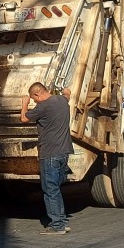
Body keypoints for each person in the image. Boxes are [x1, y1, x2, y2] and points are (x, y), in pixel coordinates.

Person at [20, 82, 74, 236]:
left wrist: (24, 103)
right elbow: (67, 94)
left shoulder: (42, 107)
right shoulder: (62, 101)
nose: (34, 101)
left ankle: (57, 225)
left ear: (37, 94)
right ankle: (62, 221)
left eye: (33, 99)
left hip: (50, 153)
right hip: (64, 152)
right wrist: (66, 91)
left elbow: (24, 119)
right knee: (55, 189)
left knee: (50, 190)